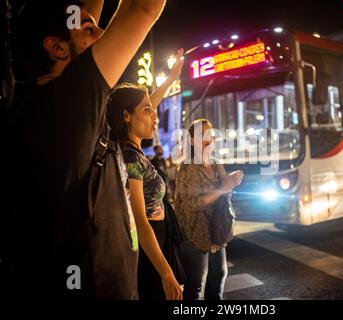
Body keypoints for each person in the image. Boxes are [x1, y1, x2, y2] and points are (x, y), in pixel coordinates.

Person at [5, 0, 167, 299]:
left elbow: (81, 11)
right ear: (56, 47)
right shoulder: (70, 99)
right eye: (90, 30)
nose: (103, 33)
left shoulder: (36, 105)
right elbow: (143, 8)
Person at [107, 49, 185, 300]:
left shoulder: (134, 152)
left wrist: (171, 79)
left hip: (156, 244)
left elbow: (145, 102)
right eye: (148, 111)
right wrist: (166, 274)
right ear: (127, 116)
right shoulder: (129, 158)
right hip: (147, 250)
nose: (155, 116)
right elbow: (140, 221)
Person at [174, 119, 244, 300]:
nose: (209, 139)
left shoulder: (215, 163)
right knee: (196, 285)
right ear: (191, 140)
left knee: (218, 276)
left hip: (217, 232)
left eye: (211, 134)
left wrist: (231, 181)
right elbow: (192, 203)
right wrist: (224, 187)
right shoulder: (187, 167)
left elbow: (223, 193)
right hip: (194, 235)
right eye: (202, 135)